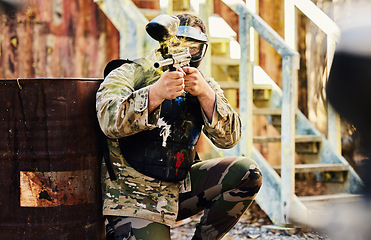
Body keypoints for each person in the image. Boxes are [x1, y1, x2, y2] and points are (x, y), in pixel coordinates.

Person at [96, 13, 262, 240]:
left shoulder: (201, 82)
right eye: (179, 44)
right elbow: (107, 120)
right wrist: (154, 94)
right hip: (134, 197)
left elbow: (230, 138)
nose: (186, 53)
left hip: (179, 187)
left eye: (194, 48)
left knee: (247, 172)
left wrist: (206, 94)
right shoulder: (131, 72)